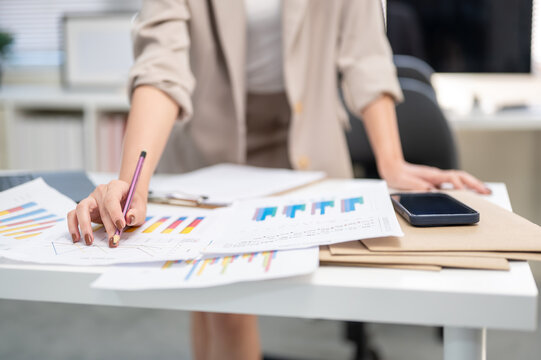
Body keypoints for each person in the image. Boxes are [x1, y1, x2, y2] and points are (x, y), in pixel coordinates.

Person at [67, 1, 490, 359]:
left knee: (225, 301)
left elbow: (366, 54)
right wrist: (131, 185)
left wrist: (392, 161)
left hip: (301, 135)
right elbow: (161, 64)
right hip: (211, 140)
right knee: (210, 300)